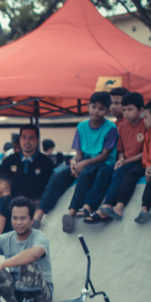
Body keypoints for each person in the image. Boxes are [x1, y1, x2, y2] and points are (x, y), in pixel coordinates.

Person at [34, 91, 117, 233]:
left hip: (102, 163)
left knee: (85, 173)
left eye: (101, 108)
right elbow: (78, 154)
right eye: (94, 107)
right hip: (84, 162)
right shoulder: (81, 127)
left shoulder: (111, 128)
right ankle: (39, 213)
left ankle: (71, 213)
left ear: (107, 111)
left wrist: (84, 164)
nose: (96, 111)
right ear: (88, 107)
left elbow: (104, 155)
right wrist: (74, 163)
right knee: (58, 176)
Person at [0, 197, 53, 302]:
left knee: (28, 262)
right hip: (16, 292)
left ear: (31, 220)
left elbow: (33, 254)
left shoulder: (39, 237)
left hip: (40, 294)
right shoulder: (7, 238)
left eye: (23, 218)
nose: (18, 222)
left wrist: (1, 265)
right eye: (15, 218)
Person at [92, 91, 146, 223]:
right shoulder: (121, 127)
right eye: (124, 109)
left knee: (122, 173)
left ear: (141, 110)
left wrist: (125, 161)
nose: (126, 113)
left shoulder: (146, 125)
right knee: (108, 172)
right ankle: (93, 207)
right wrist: (121, 159)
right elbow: (120, 150)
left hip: (140, 163)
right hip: (125, 163)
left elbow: (146, 152)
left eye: (130, 110)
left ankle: (108, 205)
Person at [0, 125, 56, 201]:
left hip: (38, 205)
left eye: (31, 138)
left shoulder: (46, 162)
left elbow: (53, 186)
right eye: (24, 137)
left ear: (37, 140)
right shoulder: (10, 160)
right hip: (14, 205)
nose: (27, 141)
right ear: (20, 139)